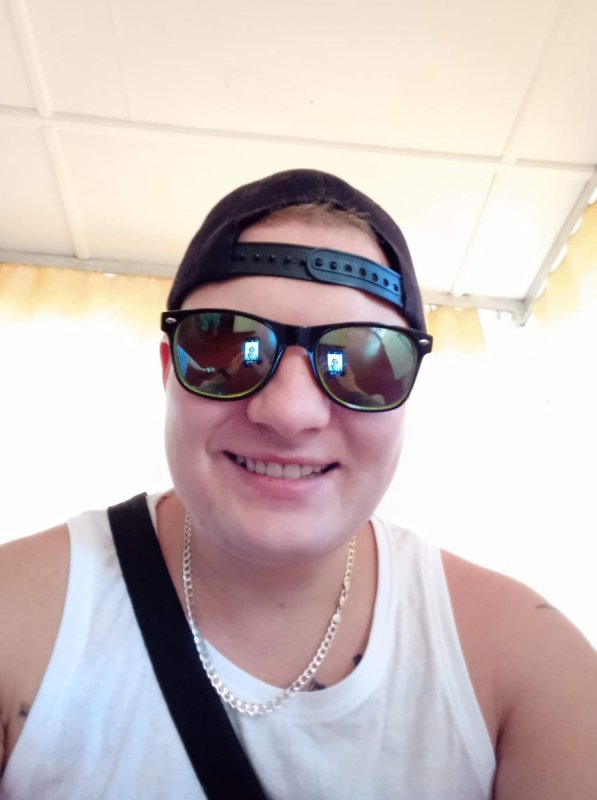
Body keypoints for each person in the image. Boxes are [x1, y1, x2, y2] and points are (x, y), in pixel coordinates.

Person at [0, 169, 595, 800]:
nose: (290, 413)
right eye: (229, 347)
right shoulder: (18, 616)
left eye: (362, 360)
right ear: (169, 372)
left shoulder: (530, 665)